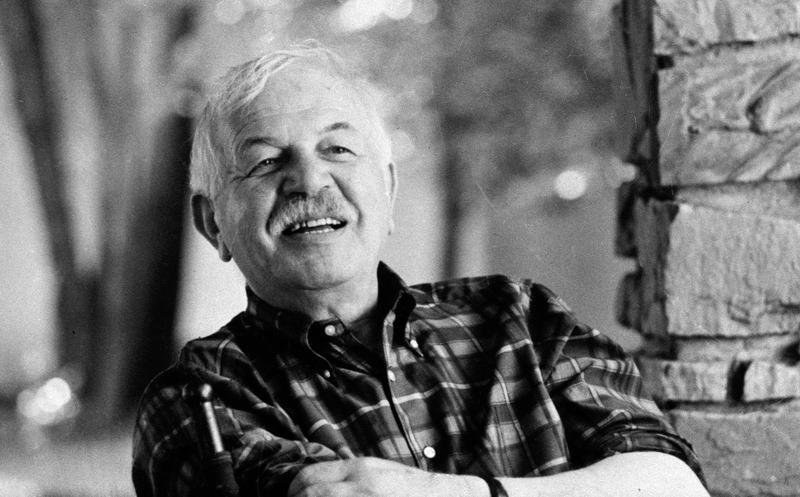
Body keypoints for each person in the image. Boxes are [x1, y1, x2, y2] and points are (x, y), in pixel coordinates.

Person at [132, 43, 709, 497]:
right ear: (212, 223)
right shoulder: (201, 398)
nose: (308, 181)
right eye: (265, 161)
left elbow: (672, 485)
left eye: (337, 150)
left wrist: (459, 493)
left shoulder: (524, 318)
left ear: (387, 187)